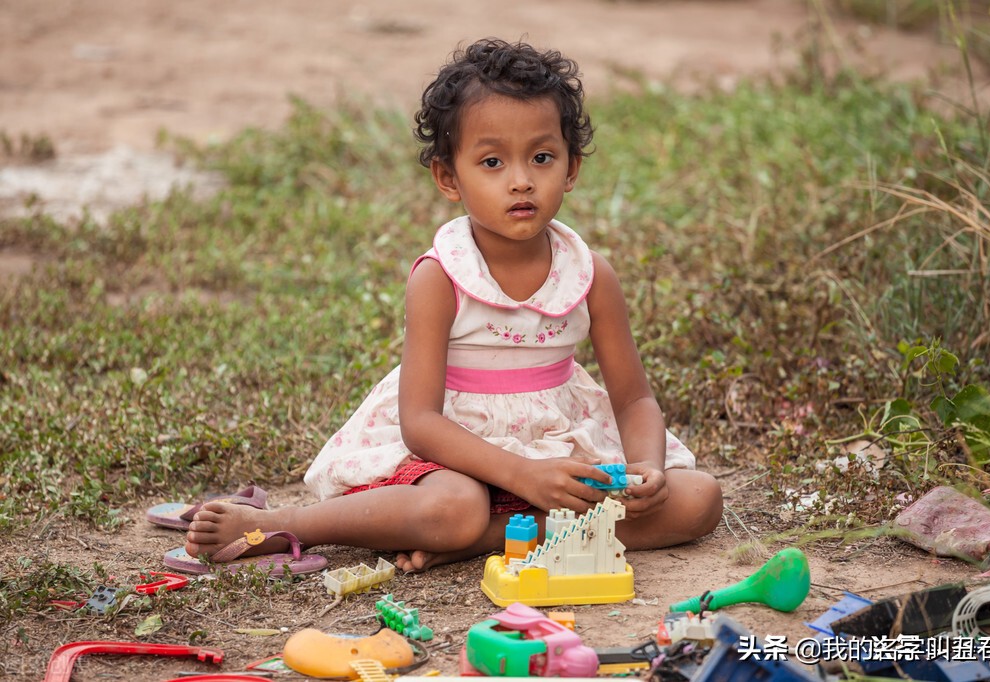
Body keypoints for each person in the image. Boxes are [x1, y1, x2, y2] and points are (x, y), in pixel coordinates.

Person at [184, 38, 723, 572]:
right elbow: (420, 421)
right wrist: (522, 475)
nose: (520, 180)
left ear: (571, 167)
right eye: (491, 161)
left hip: (558, 445)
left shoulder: (590, 275)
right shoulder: (442, 277)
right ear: (448, 177)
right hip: (454, 452)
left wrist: (646, 469)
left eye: (542, 157)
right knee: (454, 507)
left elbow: (633, 402)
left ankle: (490, 537)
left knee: (699, 498)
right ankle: (288, 524)